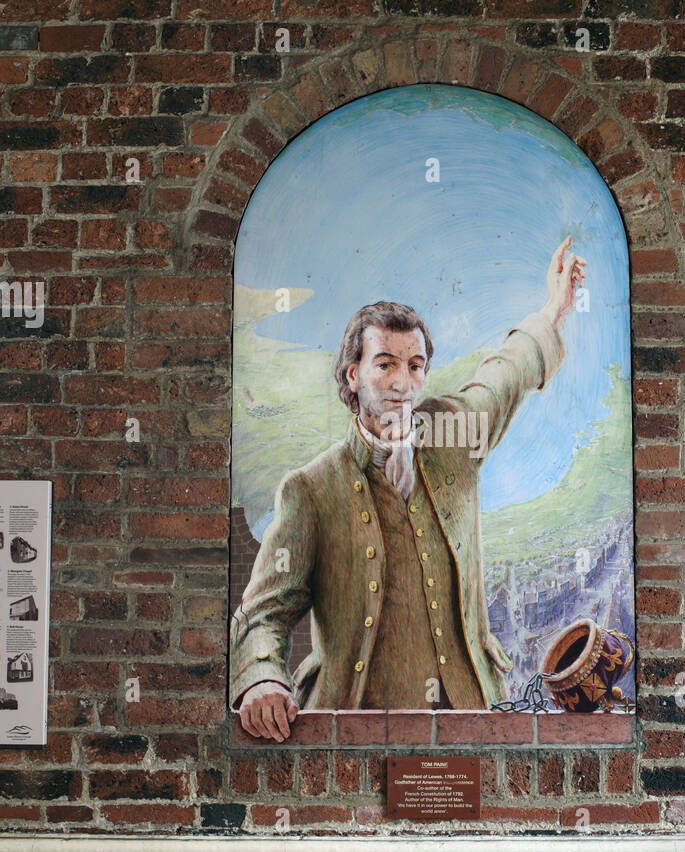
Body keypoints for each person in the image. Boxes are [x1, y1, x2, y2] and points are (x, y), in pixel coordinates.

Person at [230, 237, 587, 740]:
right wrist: (262, 680)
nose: (402, 381)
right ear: (353, 375)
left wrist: (554, 309)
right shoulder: (310, 489)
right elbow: (262, 614)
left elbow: (506, 373)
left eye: (415, 365)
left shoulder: (456, 434)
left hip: (474, 713)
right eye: (385, 364)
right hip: (355, 726)